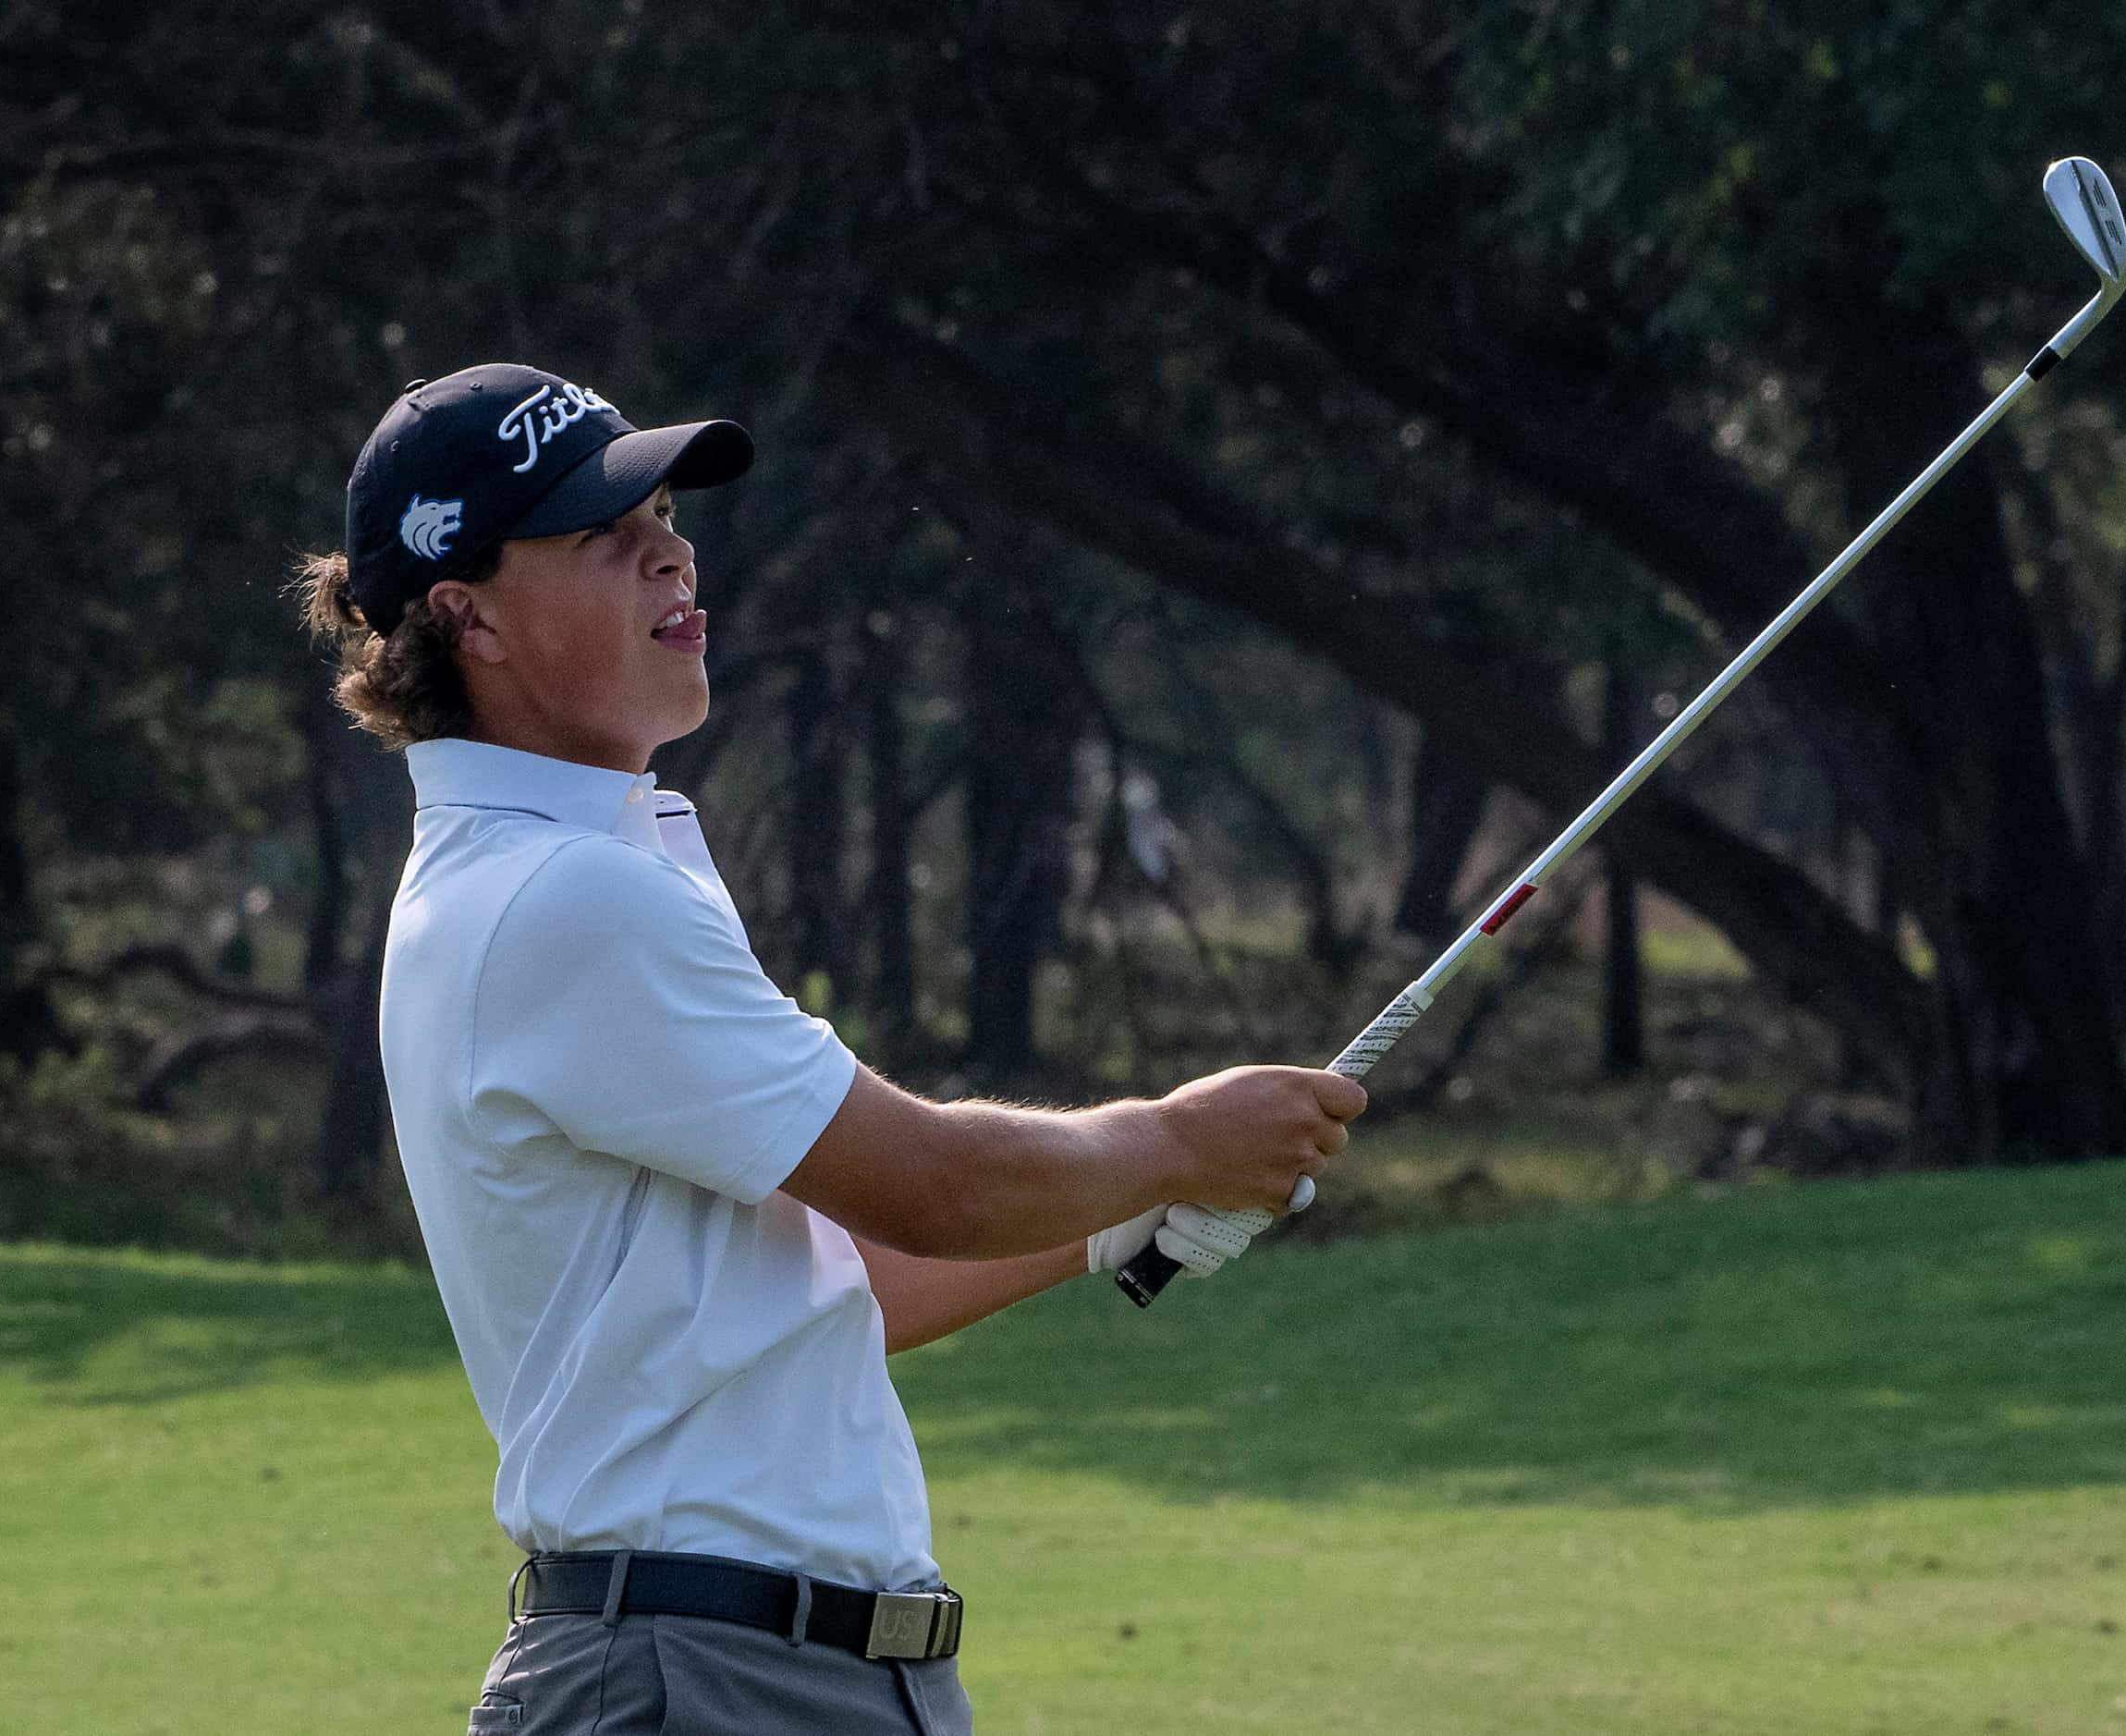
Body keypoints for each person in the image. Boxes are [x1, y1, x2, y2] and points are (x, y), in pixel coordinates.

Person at [291, 363, 1365, 1735]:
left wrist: (1126, 1212)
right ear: (468, 615)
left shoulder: (581, 865)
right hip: (709, 1678)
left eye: (664, 513)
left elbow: (834, 1273)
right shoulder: (560, 898)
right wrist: (1172, 1136)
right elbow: (936, 1183)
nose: (668, 551)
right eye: (598, 535)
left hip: (772, 1673)